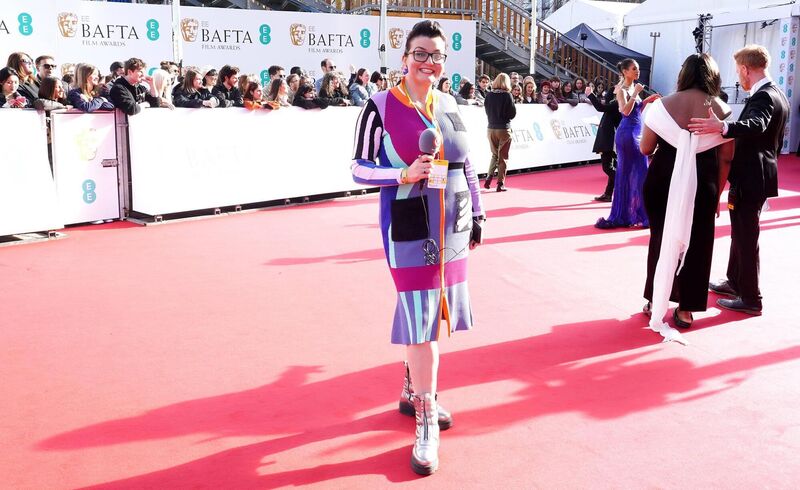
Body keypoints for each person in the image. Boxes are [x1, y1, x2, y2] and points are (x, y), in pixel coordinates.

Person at [350, 20, 484, 476]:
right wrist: (401, 174)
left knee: (436, 313)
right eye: (422, 54)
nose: (430, 63)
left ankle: (412, 390)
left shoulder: (450, 104)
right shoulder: (379, 106)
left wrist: (479, 214)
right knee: (420, 318)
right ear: (405, 56)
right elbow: (358, 169)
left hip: (454, 226)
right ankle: (426, 413)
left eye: (438, 56)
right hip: (408, 228)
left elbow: (466, 165)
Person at [639, 53, 734, 341]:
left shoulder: (661, 106)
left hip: (663, 177)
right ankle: (686, 308)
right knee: (699, 242)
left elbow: (645, 148)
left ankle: (656, 299)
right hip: (703, 180)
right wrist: (716, 193)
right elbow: (727, 158)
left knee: (660, 236)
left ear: (683, 74)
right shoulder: (722, 110)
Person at [688, 44, 789, 316]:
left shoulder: (764, 97)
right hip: (758, 174)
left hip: (751, 177)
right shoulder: (778, 94)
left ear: (746, 69)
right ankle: (735, 282)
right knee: (740, 233)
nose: (738, 77)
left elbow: (757, 125)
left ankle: (751, 298)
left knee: (746, 236)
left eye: (738, 71)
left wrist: (722, 127)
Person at [595, 59, 652, 229]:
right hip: (627, 135)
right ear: (625, 72)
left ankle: (634, 212)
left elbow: (635, 110)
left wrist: (647, 101)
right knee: (633, 172)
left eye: (638, 69)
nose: (638, 71)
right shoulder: (621, 90)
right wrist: (636, 94)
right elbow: (625, 111)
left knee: (638, 172)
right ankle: (627, 214)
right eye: (634, 69)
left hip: (636, 131)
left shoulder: (633, 88)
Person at [586, 81, 621, 202]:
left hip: (610, 139)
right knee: (611, 166)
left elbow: (601, 107)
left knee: (607, 167)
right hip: (610, 137)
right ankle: (608, 193)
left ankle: (623, 186)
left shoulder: (617, 103)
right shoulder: (615, 104)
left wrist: (590, 95)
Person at [484, 73, 517, 192]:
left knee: (494, 155)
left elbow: (486, 111)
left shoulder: (489, 95)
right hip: (504, 128)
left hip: (491, 128)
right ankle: (500, 183)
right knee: (503, 157)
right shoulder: (507, 95)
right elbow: (512, 114)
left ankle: (488, 177)